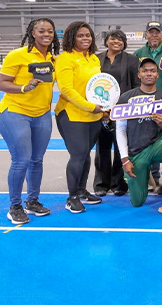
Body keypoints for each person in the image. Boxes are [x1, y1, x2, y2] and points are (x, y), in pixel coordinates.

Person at [0, 18, 59, 224]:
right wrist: (24, 88)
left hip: (42, 114)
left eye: (50, 31)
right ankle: (14, 206)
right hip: (15, 111)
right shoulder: (17, 55)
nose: (46, 34)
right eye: (42, 31)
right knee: (21, 160)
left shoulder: (53, 58)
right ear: (33, 33)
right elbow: (2, 83)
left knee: (36, 160)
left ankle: (32, 201)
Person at [115, 58, 162, 217]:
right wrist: (125, 159)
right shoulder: (126, 98)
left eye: (152, 70)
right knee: (137, 202)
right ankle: (145, 178)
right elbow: (120, 129)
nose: (149, 74)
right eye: (145, 71)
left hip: (157, 144)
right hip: (136, 150)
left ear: (158, 75)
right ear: (138, 74)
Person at [55, 21, 105, 213]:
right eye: (80, 35)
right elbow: (67, 90)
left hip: (93, 116)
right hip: (72, 115)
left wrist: (102, 108)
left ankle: (82, 191)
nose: (85, 39)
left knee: (85, 156)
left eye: (88, 35)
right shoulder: (65, 59)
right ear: (71, 37)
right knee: (77, 155)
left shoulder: (93, 59)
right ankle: (72, 197)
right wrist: (89, 106)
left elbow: (98, 85)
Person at [94, 28, 140, 197]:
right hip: (100, 111)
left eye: (120, 39)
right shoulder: (95, 59)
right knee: (102, 148)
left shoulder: (132, 60)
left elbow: (136, 87)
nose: (117, 41)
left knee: (121, 148)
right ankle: (101, 184)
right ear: (106, 41)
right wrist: (101, 108)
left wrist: (128, 107)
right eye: (113, 38)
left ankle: (118, 183)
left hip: (122, 110)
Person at [133, 21, 162, 98]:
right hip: (143, 99)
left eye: (157, 33)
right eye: (151, 33)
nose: (154, 35)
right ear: (146, 34)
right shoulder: (138, 53)